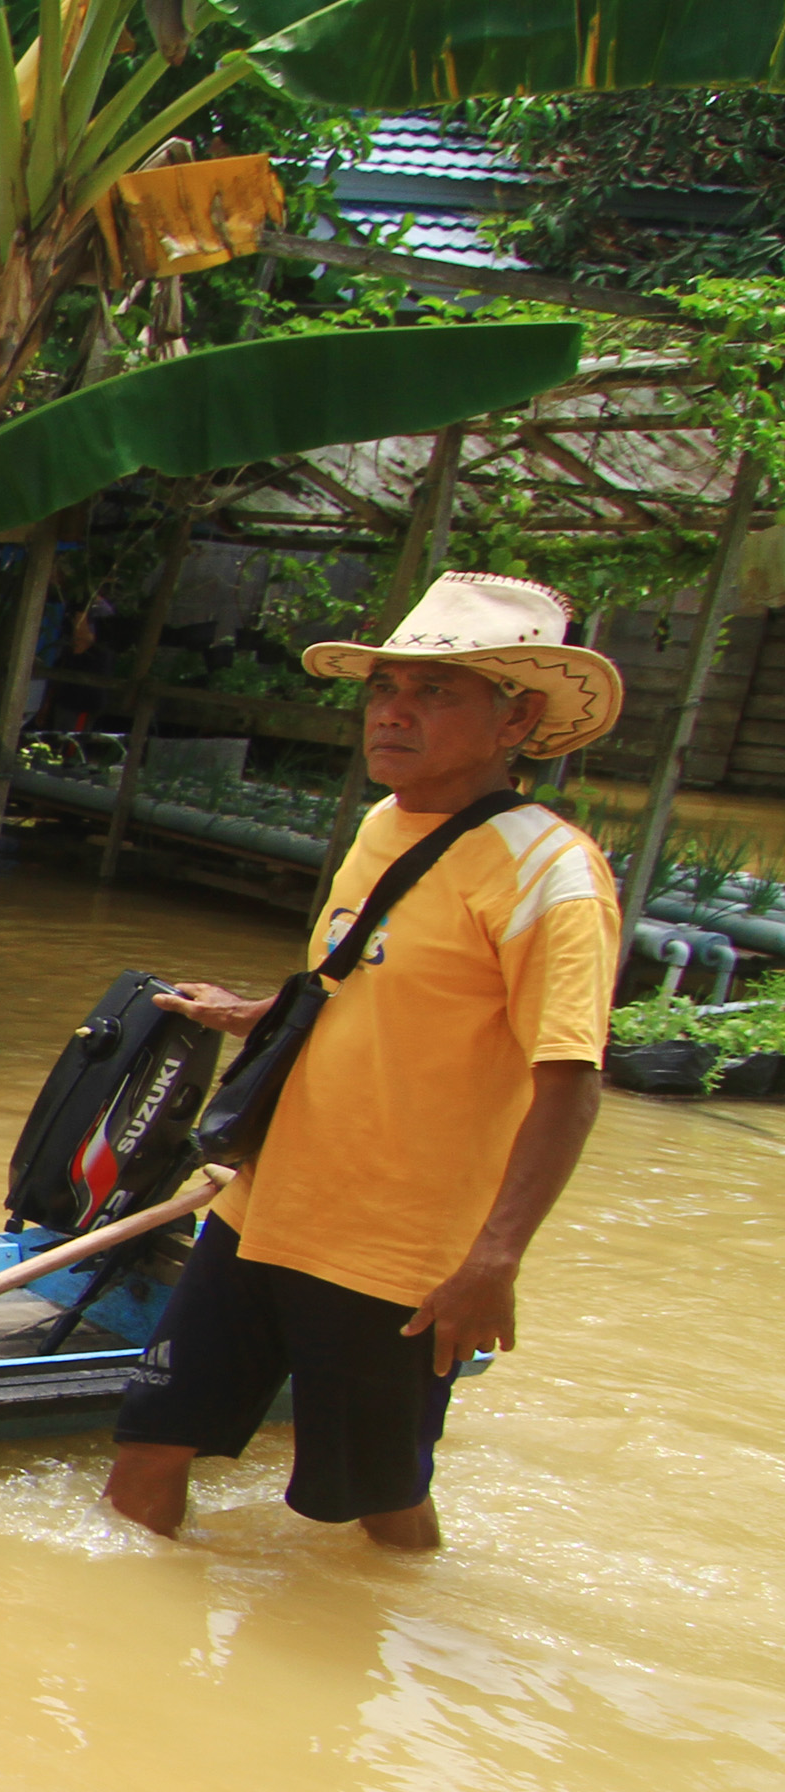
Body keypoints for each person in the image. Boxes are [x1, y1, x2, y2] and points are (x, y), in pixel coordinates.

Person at [105, 572, 621, 1551]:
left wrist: (493, 1260)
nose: (393, 713)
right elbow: (364, 991)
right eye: (385, 688)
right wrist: (252, 1012)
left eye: (435, 693)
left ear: (514, 721)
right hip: (263, 1211)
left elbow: (570, 1080)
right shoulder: (383, 828)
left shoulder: (551, 876)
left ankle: (403, 1672)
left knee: (378, 1504)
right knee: (148, 1448)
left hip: (395, 1257)